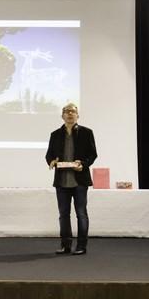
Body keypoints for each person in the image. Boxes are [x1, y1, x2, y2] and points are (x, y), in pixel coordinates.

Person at [45, 103, 97, 255]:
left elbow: (93, 154)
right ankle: (65, 245)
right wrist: (51, 161)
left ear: (77, 115)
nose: (69, 114)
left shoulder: (87, 132)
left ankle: (81, 246)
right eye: (66, 111)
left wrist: (84, 164)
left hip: (80, 181)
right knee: (63, 215)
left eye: (73, 111)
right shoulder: (55, 134)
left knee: (81, 214)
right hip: (62, 181)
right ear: (62, 116)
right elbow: (49, 155)